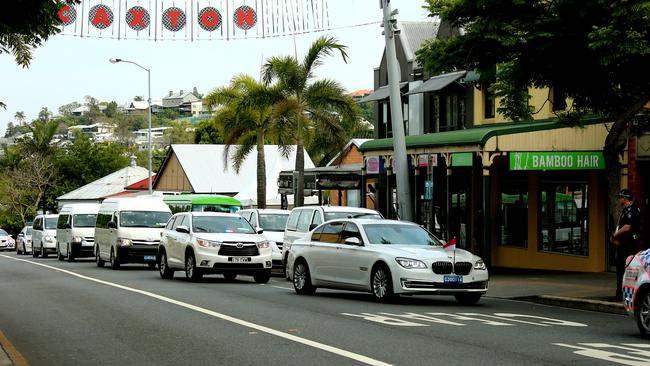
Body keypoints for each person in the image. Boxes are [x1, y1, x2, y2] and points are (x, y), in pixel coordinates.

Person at [610, 188, 641, 301]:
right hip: (624, 244)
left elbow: (627, 227)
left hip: (629, 246)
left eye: (620, 197)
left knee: (625, 271)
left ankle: (624, 296)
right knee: (620, 271)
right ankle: (619, 295)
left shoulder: (632, 210)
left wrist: (615, 235)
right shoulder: (626, 210)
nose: (619, 199)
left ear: (625, 198)